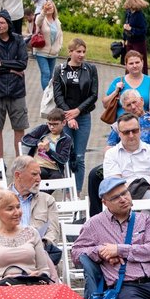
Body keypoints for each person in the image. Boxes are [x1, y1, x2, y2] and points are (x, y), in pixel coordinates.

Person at [0, 188, 57, 299]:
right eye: (10, 209)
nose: (17, 212)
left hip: (31, 293)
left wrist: (36, 276)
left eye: (18, 206)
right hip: (0, 296)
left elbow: (44, 270)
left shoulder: (31, 233)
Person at [0, 156, 62, 261]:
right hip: (5, 256)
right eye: (34, 174)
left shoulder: (48, 201)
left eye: (39, 174)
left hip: (38, 256)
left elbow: (53, 233)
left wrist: (39, 246)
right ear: (18, 175)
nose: (39, 179)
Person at [52, 38, 99, 193]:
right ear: (70, 52)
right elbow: (58, 96)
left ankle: (77, 192)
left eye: (84, 52)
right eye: (78, 51)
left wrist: (78, 111)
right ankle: (67, 192)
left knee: (79, 156)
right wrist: (69, 116)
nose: (82, 55)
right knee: (66, 155)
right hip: (65, 118)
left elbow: (93, 95)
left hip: (83, 116)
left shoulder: (90, 69)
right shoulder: (60, 70)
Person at [0, 10, 29, 163]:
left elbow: (22, 64)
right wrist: (10, 69)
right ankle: (0, 162)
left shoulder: (18, 40)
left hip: (16, 91)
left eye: (2, 23)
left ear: (8, 24)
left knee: (19, 127)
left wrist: (1, 62)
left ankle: (19, 162)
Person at [100, 113, 150, 218]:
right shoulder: (111, 154)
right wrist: (143, 187)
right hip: (123, 200)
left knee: (145, 214)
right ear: (119, 134)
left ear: (140, 130)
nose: (131, 135)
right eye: (126, 132)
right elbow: (115, 186)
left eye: (135, 131)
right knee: (141, 188)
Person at [102, 50, 150, 125]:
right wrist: (115, 92)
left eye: (137, 62)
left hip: (145, 124)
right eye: (131, 63)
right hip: (122, 125)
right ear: (126, 65)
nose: (134, 66)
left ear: (142, 63)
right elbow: (105, 104)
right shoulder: (118, 81)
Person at [21, 108, 72, 179]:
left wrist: (49, 150)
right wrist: (38, 142)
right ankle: (38, 190)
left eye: (55, 124)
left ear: (63, 123)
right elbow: (25, 139)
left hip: (54, 168)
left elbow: (63, 159)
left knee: (57, 177)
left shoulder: (66, 139)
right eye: (49, 124)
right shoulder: (43, 129)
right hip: (38, 165)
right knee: (39, 172)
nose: (51, 127)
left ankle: (41, 191)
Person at [32, 0, 63, 91]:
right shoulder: (41, 18)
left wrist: (59, 47)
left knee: (50, 75)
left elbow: (60, 35)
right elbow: (38, 22)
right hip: (41, 51)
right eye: (47, 7)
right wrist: (43, 12)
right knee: (45, 73)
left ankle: (49, 93)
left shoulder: (57, 21)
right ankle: (47, 95)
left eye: (51, 7)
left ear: (54, 9)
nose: (49, 9)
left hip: (53, 53)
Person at [122, 0, 150, 73]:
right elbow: (126, 25)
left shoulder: (139, 15)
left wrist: (131, 29)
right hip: (130, 41)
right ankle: (128, 78)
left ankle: (143, 78)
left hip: (139, 43)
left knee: (140, 61)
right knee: (129, 60)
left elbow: (143, 31)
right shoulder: (128, 13)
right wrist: (124, 39)